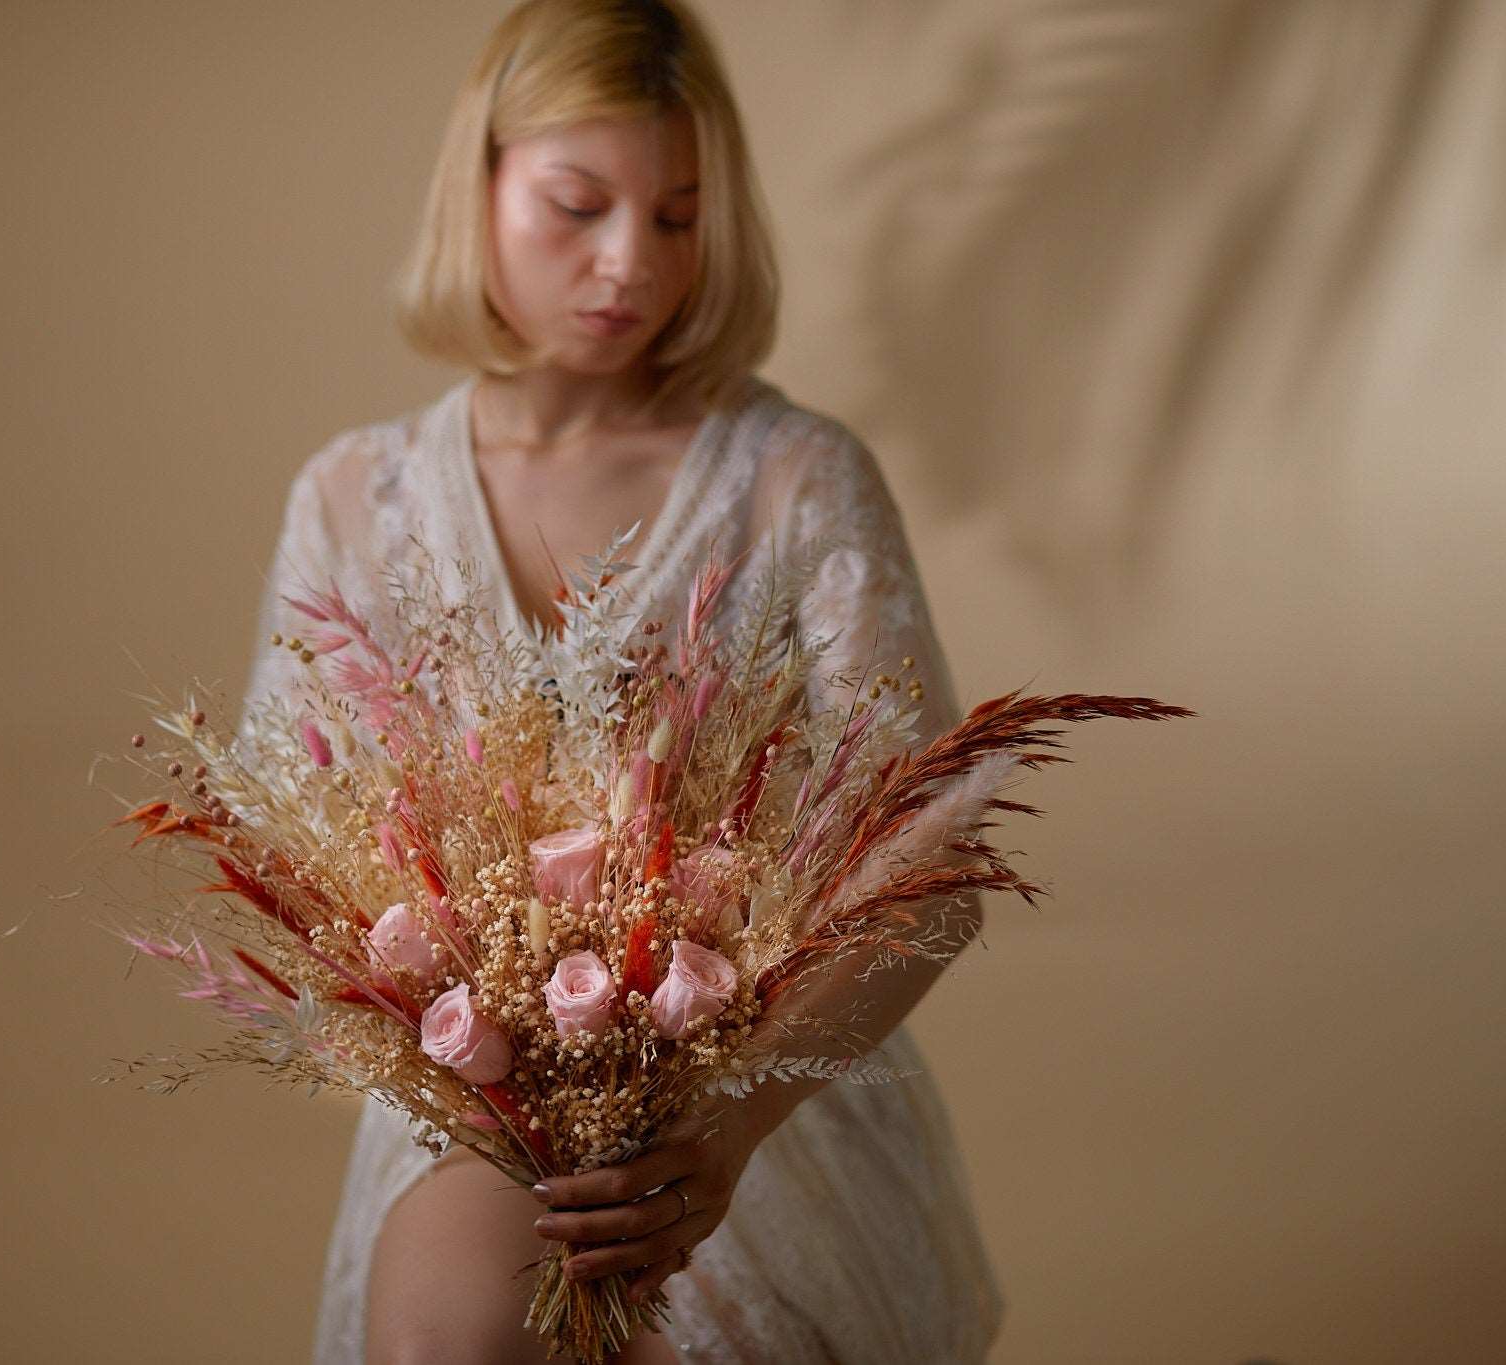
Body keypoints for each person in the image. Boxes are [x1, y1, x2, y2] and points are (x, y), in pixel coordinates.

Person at [240, 2, 1004, 1359]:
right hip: (473, 1104)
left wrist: (725, 1112)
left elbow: (935, 859)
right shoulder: (354, 498)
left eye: (677, 215)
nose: (625, 265)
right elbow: (296, 876)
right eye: (575, 205)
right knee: (455, 1338)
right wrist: (496, 1066)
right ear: (477, 184)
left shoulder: (792, 479)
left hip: (761, 1103)